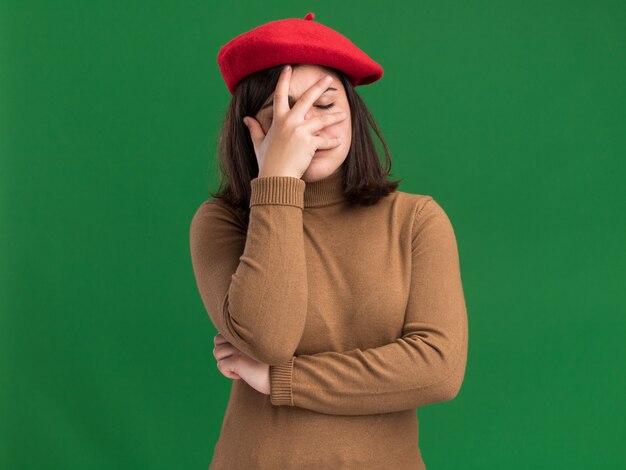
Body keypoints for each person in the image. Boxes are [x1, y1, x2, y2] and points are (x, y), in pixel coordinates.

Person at [189, 12, 468, 470]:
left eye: (325, 105)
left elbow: (438, 369)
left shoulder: (416, 219)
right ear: (251, 130)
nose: (308, 127)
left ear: (354, 113)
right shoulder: (221, 223)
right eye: (285, 112)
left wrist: (281, 380)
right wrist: (278, 179)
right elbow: (268, 339)